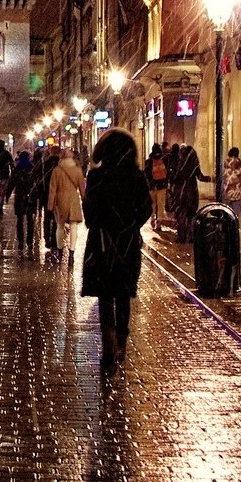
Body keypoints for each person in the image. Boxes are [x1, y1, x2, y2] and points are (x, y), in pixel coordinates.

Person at [81, 129, 151, 367]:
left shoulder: (96, 176)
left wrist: (100, 223)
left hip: (102, 242)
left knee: (105, 294)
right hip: (126, 243)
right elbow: (146, 208)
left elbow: (89, 209)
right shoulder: (136, 177)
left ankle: (108, 340)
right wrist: (130, 226)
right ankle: (121, 343)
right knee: (123, 294)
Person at [47, 145, 85, 262]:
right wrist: (85, 201)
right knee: (74, 226)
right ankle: (72, 253)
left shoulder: (57, 170)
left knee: (60, 226)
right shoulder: (77, 170)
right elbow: (82, 188)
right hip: (73, 199)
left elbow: (52, 189)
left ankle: (60, 251)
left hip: (60, 200)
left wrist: (50, 205)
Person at [170, 142, 206, 242]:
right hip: (191, 192)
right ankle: (190, 237)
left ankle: (181, 237)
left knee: (181, 215)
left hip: (180, 192)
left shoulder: (179, 162)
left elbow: (173, 177)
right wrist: (210, 179)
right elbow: (200, 177)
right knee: (191, 215)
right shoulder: (193, 163)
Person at [9, 151, 38, 252]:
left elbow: (11, 182)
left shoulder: (17, 169)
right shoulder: (32, 168)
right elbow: (36, 183)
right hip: (30, 197)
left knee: (20, 220)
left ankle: (21, 241)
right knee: (30, 221)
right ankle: (29, 242)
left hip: (19, 196)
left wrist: (7, 195)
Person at [222, 146, 241, 227]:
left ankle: (226, 231)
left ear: (229, 154)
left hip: (225, 194)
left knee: (225, 216)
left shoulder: (223, 165)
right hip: (236, 195)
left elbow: (215, 177)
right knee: (235, 216)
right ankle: (234, 231)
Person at [146, 144, 170, 227]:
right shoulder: (164, 160)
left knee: (152, 204)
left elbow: (146, 174)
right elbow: (168, 172)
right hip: (162, 185)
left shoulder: (148, 161)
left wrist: (150, 183)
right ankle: (159, 223)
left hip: (152, 186)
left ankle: (152, 219)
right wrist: (166, 182)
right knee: (160, 205)